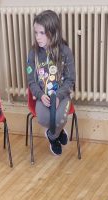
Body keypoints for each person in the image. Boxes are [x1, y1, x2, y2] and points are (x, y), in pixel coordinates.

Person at [26, 9, 75, 157]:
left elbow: (70, 80)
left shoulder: (65, 51)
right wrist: (40, 95)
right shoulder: (33, 53)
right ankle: (58, 134)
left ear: (53, 32)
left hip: (62, 95)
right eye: (36, 33)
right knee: (43, 118)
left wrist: (59, 96)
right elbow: (31, 81)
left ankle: (52, 137)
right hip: (43, 97)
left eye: (42, 33)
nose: (38, 37)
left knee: (59, 118)